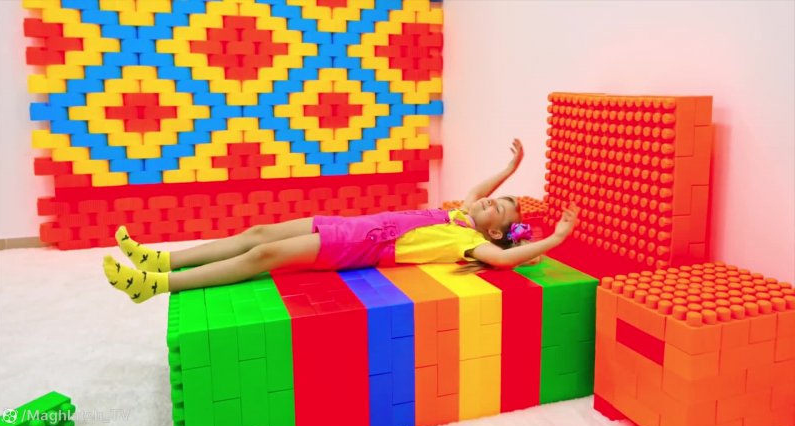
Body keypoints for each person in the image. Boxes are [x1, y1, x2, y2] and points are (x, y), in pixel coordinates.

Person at [103, 138, 580, 303]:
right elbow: (479, 191)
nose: (488, 202)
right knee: (258, 233)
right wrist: (510, 169)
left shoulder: (466, 242)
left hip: (357, 247)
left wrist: (555, 239)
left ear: (492, 230)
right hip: (346, 224)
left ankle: (156, 285)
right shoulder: (460, 211)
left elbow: (505, 259)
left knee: (265, 254)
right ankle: (160, 258)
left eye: (496, 209)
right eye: (494, 199)